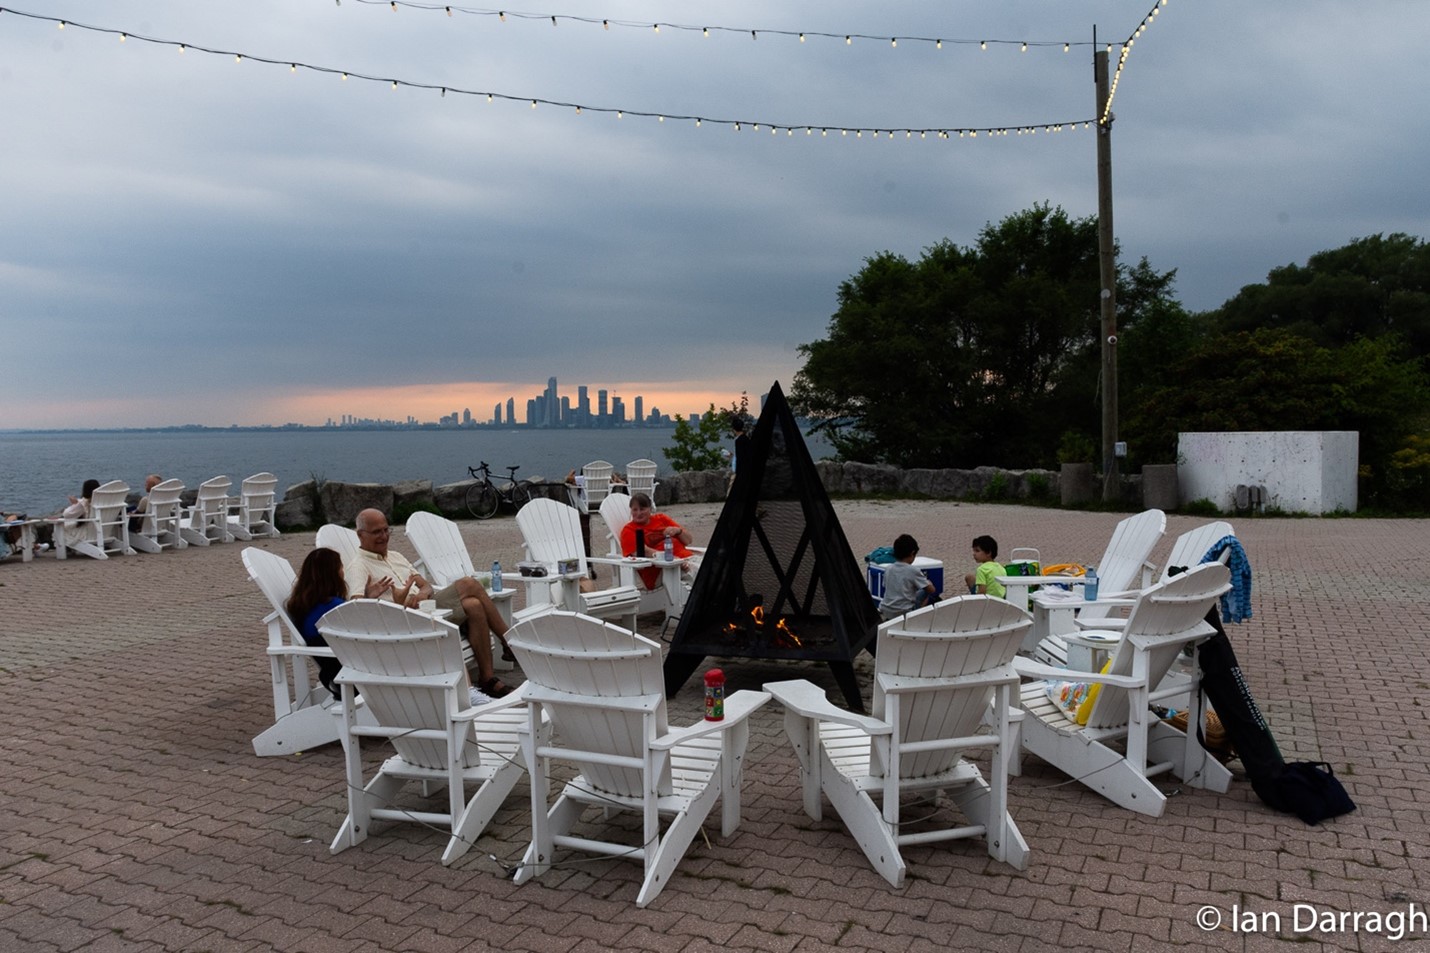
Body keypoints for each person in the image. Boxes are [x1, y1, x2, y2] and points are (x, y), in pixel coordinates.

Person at [287, 547, 493, 706]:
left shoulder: (307, 606)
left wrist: (367, 598)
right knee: (439, 640)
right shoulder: (333, 606)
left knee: (433, 639)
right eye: (340, 567)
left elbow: (354, 624)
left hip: (346, 666)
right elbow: (366, 626)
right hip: (362, 670)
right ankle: (467, 694)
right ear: (332, 574)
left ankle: (467, 692)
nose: (343, 571)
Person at [343, 508, 517, 698]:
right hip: (406, 622)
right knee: (469, 583)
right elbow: (355, 609)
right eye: (377, 532)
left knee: (474, 605)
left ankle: (487, 679)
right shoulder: (358, 566)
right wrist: (370, 597)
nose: (384, 536)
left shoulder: (396, 556)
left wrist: (423, 594)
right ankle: (510, 642)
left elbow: (425, 585)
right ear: (360, 535)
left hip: (427, 608)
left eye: (386, 530)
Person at [619, 492, 700, 589]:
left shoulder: (661, 519)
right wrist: (673, 559)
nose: (638, 513)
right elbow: (642, 551)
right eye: (635, 510)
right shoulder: (629, 530)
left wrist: (678, 531)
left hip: (687, 559)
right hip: (665, 568)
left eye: (642, 509)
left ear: (650, 509)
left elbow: (688, 540)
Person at [879, 533, 940, 620]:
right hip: (904, 612)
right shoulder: (913, 570)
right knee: (928, 590)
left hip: (886, 610)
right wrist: (928, 583)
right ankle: (918, 616)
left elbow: (885, 586)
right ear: (912, 553)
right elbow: (931, 590)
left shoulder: (888, 568)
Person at [964, 534, 1007, 598]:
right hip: (1000, 600)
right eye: (973, 551)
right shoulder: (1001, 568)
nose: (974, 554)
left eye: (977, 551)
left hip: (988, 602)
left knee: (969, 577)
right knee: (970, 577)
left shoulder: (982, 569)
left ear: (988, 553)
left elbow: (982, 592)